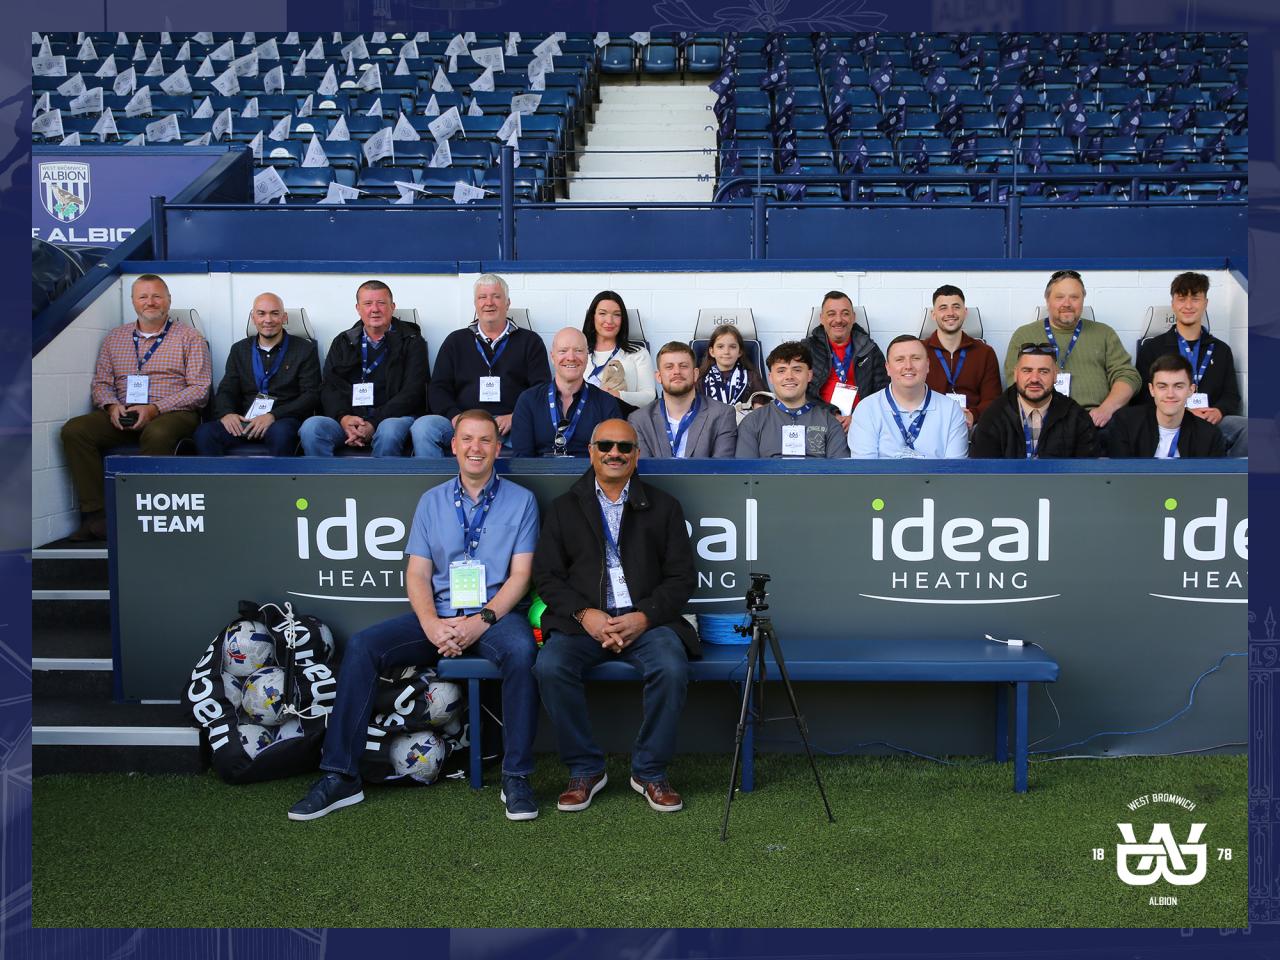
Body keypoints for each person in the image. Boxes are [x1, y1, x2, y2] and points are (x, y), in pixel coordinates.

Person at [289, 410, 542, 822]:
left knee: (521, 653)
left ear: (498, 448)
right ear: (454, 446)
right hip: (439, 616)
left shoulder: (522, 500)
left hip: (495, 617)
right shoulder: (432, 500)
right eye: (467, 440)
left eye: (485, 440)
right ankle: (340, 776)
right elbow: (418, 573)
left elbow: (521, 576)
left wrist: (482, 621)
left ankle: (516, 776)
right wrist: (431, 625)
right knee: (364, 647)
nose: (476, 448)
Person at [532, 419, 698, 813]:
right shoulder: (563, 508)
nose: (614, 453)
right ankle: (586, 770)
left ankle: (649, 772)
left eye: (624, 447)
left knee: (672, 668)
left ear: (636, 457)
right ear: (591, 452)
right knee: (550, 666)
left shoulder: (664, 507)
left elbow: (681, 578)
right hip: (584, 624)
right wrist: (584, 613)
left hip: (645, 622)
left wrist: (644, 616)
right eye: (605, 445)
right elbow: (546, 577)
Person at [61, 274, 210, 541]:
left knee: (157, 434)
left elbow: (200, 390)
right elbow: (101, 383)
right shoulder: (114, 338)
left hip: (173, 413)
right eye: (143, 296)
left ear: (168, 300)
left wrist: (155, 408)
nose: (150, 302)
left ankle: (150, 515)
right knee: (75, 430)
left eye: (156, 296)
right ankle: (98, 517)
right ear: (133, 302)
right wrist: (111, 406)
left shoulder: (190, 338)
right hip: (123, 412)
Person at [413, 274, 550, 457]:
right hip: (463, 422)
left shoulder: (530, 341)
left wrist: (516, 416)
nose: (489, 302)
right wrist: (455, 417)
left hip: (510, 424)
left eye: (496, 296)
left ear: (507, 303)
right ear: (475, 304)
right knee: (423, 428)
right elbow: (438, 388)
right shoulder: (456, 341)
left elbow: (541, 389)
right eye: (482, 297)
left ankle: (515, 484)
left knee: (537, 431)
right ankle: (437, 484)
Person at [300, 280, 427, 456]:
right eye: (367, 304)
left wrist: (373, 423)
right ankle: (325, 483)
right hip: (349, 419)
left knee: (388, 431)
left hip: (393, 418)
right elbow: (329, 387)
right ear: (358, 308)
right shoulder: (343, 341)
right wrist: (344, 418)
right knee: (312, 428)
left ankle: (383, 483)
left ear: (393, 307)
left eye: (381, 303)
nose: (374, 309)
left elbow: (413, 391)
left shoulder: (412, 342)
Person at [1002, 269, 1139, 429]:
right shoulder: (1024, 335)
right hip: (1043, 421)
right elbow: (1015, 380)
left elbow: (1128, 376)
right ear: (1048, 301)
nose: (1067, 304)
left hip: (1094, 421)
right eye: (1059, 297)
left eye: (1074, 297)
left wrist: (1106, 409)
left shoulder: (1104, 333)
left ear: (1082, 300)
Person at [1133, 271, 1246, 456]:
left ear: (1205, 303)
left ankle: (1231, 478)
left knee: (1251, 429)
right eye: (1181, 298)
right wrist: (1179, 411)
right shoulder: (1152, 347)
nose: (1188, 305)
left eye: (1195, 298)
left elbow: (1231, 396)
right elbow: (1143, 397)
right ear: (1173, 304)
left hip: (1210, 421)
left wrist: (1218, 411)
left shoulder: (1221, 349)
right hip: (1166, 419)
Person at [193, 293, 320, 456]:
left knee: (281, 434)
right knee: (205, 433)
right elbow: (226, 389)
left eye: (275, 313)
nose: (268, 320)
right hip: (244, 421)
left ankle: (276, 482)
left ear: (284, 317)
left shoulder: (304, 349)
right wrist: (227, 414)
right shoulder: (239, 350)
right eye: (261, 313)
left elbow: (311, 395)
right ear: (253, 317)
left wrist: (273, 415)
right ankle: (221, 481)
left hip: (282, 420)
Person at [972, 343, 1099, 458]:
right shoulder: (993, 416)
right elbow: (985, 476)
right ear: (1016, 375)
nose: (1034, 379)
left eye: (1043, 371)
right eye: (1027, 371)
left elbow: (1087, 476)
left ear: (1055, 376)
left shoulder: (1077, 417)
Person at [849, 335, 969, 459]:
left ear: (927, 365)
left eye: (916, 358)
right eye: (900, 359)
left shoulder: (951, 410)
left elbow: (954, 472)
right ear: (888, 368)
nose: (908, 366)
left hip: (936, 479)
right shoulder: (866, 409)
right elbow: (865, 472)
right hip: (883, 479)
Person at [509, 328, 620, 457]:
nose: (571, 357)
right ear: (552, 357)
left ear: (587, 356)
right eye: (563, 351)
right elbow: (523, 460)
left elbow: (613, 456)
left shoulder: (606, 403)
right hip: (540, 476)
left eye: (578, 351)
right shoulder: (528, 401)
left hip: (590, 475)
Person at [736, 342, 850, 458]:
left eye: (797, 370)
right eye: (781, 371)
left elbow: (839, 473)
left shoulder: (830, 422)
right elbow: (746, 473)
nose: (789, 376)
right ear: (771, 377)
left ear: (809, 375)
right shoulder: (752, 422)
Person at [629, 342, 737, 458]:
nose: (677, 372)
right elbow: (645, 472)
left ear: (695, 374)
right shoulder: (639, 420)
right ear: (659, 377)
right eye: (669, 367)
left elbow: (721, 470)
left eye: (683, 366)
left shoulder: (722, 415)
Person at [1109, 354, 1226, 458]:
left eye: (1178, 386)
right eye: (1162, 386)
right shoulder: (1125, 424)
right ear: (1152, 389)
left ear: (1191, 390)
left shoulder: (1209, 435)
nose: (1170, 394)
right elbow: (1119, 477)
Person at [805, 290, 888, 430]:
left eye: (845, 313)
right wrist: (831, 415)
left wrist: (857, 417)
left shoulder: (870, 349)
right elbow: (800, 392)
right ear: (821, 318)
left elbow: (883, 392)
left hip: (863, 423)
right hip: (819, 422)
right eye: (831, 314)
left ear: (853, 317)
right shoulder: (807, 349)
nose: (838, 320)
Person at [922, 284, 1002, 428]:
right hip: (928, 424)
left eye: (956, 307)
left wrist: (973, 415)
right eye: (943, 308)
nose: (950, 313)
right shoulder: (920, 351)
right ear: (933, 315)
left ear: (965, 312)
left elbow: (993, 399)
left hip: (974, 426)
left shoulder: (985, 353)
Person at [581, 290, 656, 415]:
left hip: (626, 422)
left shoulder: (638, 353)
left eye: (617, 314)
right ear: (592, 316)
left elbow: (649, 396)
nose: (609, 321)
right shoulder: (580, 353)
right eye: (602, 313)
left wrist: (616, 395)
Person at [697, 323, 767, 416]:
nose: (726, 352)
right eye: (720, 347)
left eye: (732, 347)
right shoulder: (701, 379)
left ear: (740, 352)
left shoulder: (751, 377)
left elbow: (760, 413)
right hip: (710, 427)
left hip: (743, 426)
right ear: (712, 351)